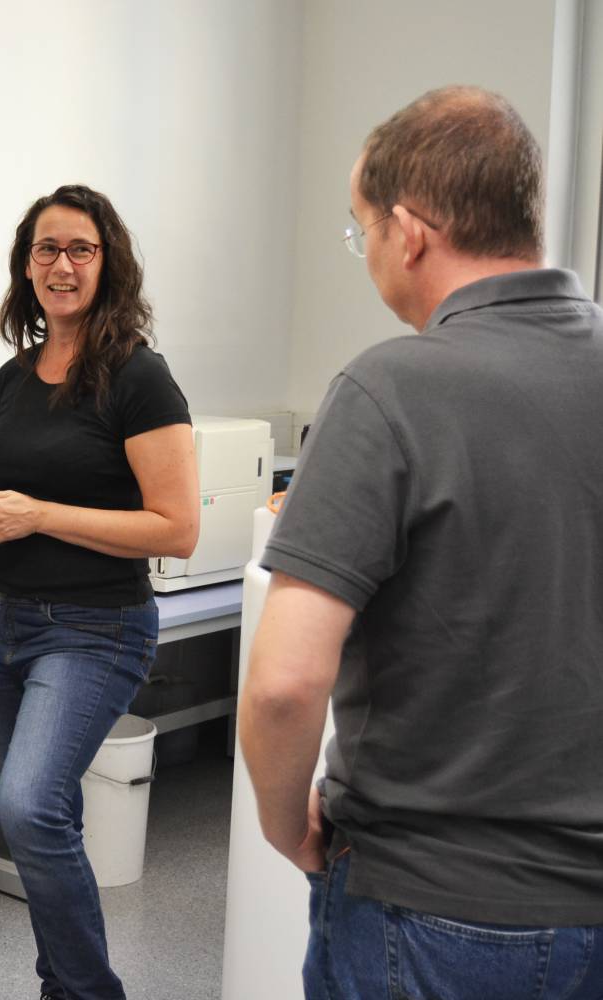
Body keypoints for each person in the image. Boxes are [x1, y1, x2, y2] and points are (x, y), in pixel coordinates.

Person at [241, 86, 603, 999]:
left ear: (409, 230)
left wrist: (285, 827)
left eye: (361, 230)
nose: (366, 254)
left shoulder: (388, 389)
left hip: (435, 909)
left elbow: (286, 684)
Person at [0, 184, 199, 1000]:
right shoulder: (12, 377)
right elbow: (2, 480)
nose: (61, 265)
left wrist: (39, 515)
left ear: (109, 263)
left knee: (28, 807)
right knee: (42, 815)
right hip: (3, 621)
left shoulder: (138, 377)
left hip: (96, 627)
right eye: (45, 250)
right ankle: (63, 988)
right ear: (25, 266)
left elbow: (177, 528)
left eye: (80, 250)